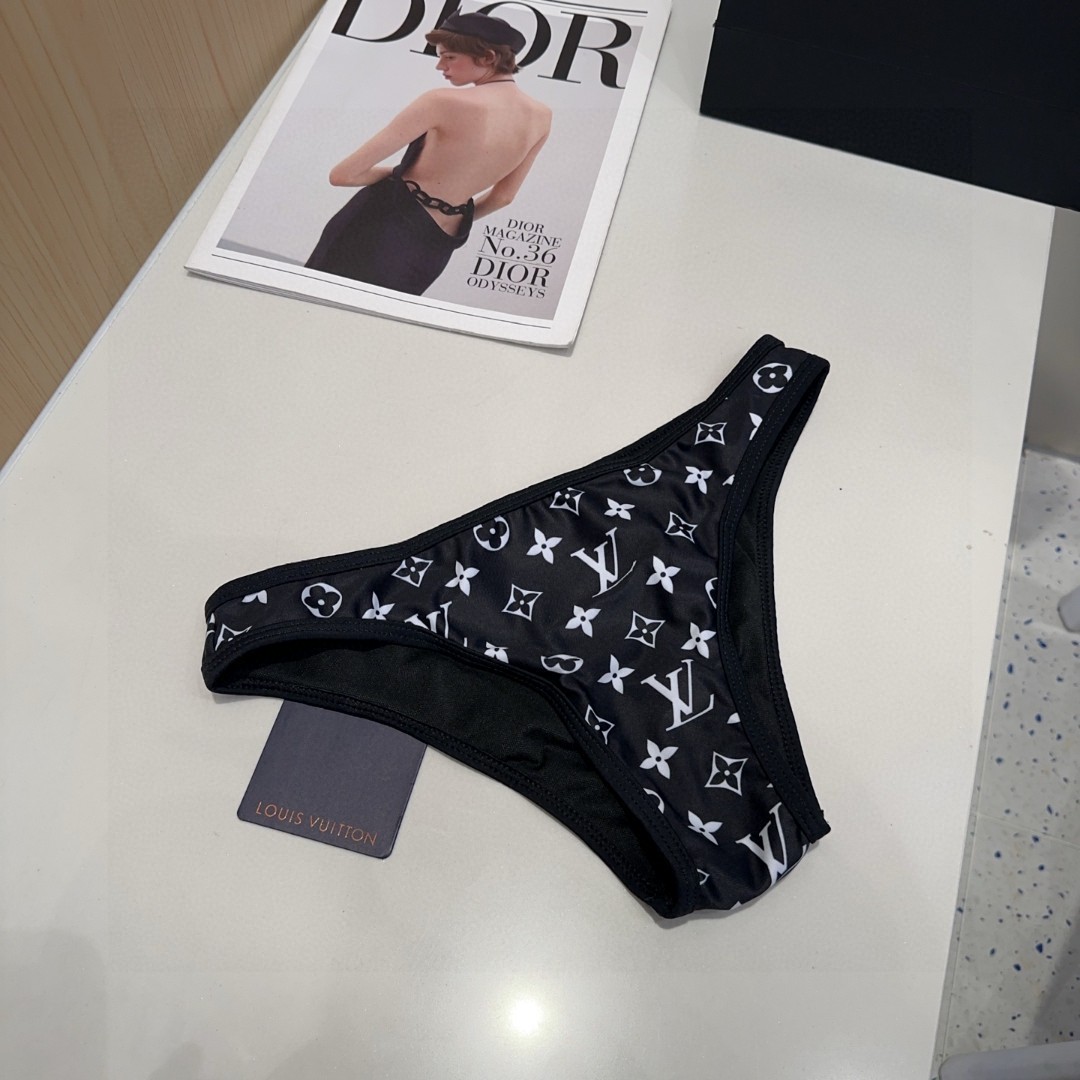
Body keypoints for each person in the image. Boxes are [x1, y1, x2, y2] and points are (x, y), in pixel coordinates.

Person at [305, 12, 552, 295]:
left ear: (488, 58)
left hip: (378, 226)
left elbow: (342, 175)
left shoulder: (441, 101)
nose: (440, 66)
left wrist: (401, 175)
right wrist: (445, 216)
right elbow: (503, 198)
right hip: (437, 247)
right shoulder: (542, 117)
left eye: (449, 57)